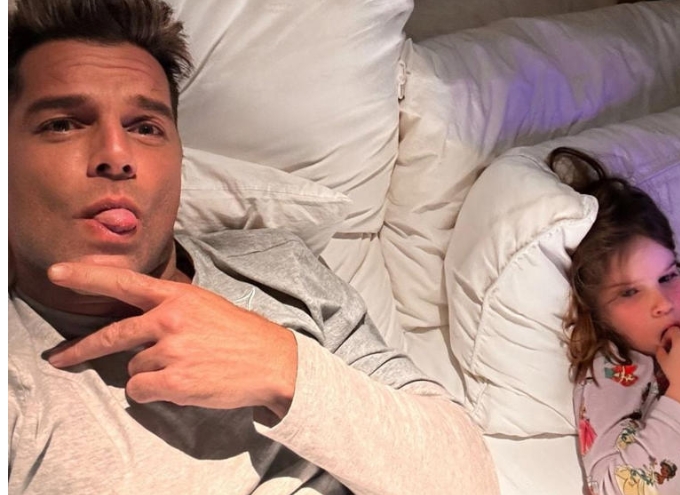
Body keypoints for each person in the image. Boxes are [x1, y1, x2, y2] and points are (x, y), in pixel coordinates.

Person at [7, 1, 500, 494]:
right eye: (62, 124)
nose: (117, 156)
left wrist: (283, 368)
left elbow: (469, 478)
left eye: (145, 128)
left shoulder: (279, 265)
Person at [548, 147, 680, 495]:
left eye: (667, 277)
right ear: (598, 313)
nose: (662, 304)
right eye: (630, 292)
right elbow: (611, 488)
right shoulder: (614, 369)